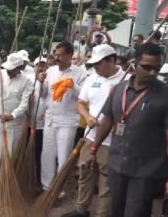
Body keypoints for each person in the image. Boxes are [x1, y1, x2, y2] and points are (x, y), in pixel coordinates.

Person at [87, 43, 168, 217]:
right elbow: (108, 119)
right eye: (147, 67)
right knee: (116, 210)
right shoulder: (119, 89)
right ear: (134, 63)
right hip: (117, 165)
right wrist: (94, 148)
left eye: (157, 68)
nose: (152, 73)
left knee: (135, 212)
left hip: (145, 172)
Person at [63, 44, 127, 217]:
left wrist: (118, 95)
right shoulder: (92, 78)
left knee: (107, 183)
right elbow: (81, 102)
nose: (96, 67)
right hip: (90, 136)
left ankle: (103, 214)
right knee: (85, 173)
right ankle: (81, 209)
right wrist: (88, 117)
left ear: (111, 60)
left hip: (111, 141)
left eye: (99, 63)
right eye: (94, 64)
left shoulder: (126, 80)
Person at [39, 41, 87, 197]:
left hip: (68, 120)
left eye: (60, 55)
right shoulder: (51, 71)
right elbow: (44, 94)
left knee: (63, 156)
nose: (57, 57)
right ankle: (47, 187)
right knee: (47, 154)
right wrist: (40, 82)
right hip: (50, 118)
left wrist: (72, 85)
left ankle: (59, 189)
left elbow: (83, 97)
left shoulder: (80, 73)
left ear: (70, 55)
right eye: (56, 54)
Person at [0, 53, 33, 182]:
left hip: (14, 121)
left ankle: (4, 178)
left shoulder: (27, 81)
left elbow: (24, 103)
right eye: (8, 69)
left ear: (20, 68)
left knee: (9, 152)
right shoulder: (0, 74)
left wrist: (12, 115)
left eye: (12, 69)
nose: (9, 71)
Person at [30, 56, 48, 184]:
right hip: (28, 124)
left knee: (39, 154)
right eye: (38, 65)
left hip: (42, 126)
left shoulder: (48, 82)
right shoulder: (29, 81)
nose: (41, 68)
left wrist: (42, 82)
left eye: (43, 65)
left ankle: (38, 179)